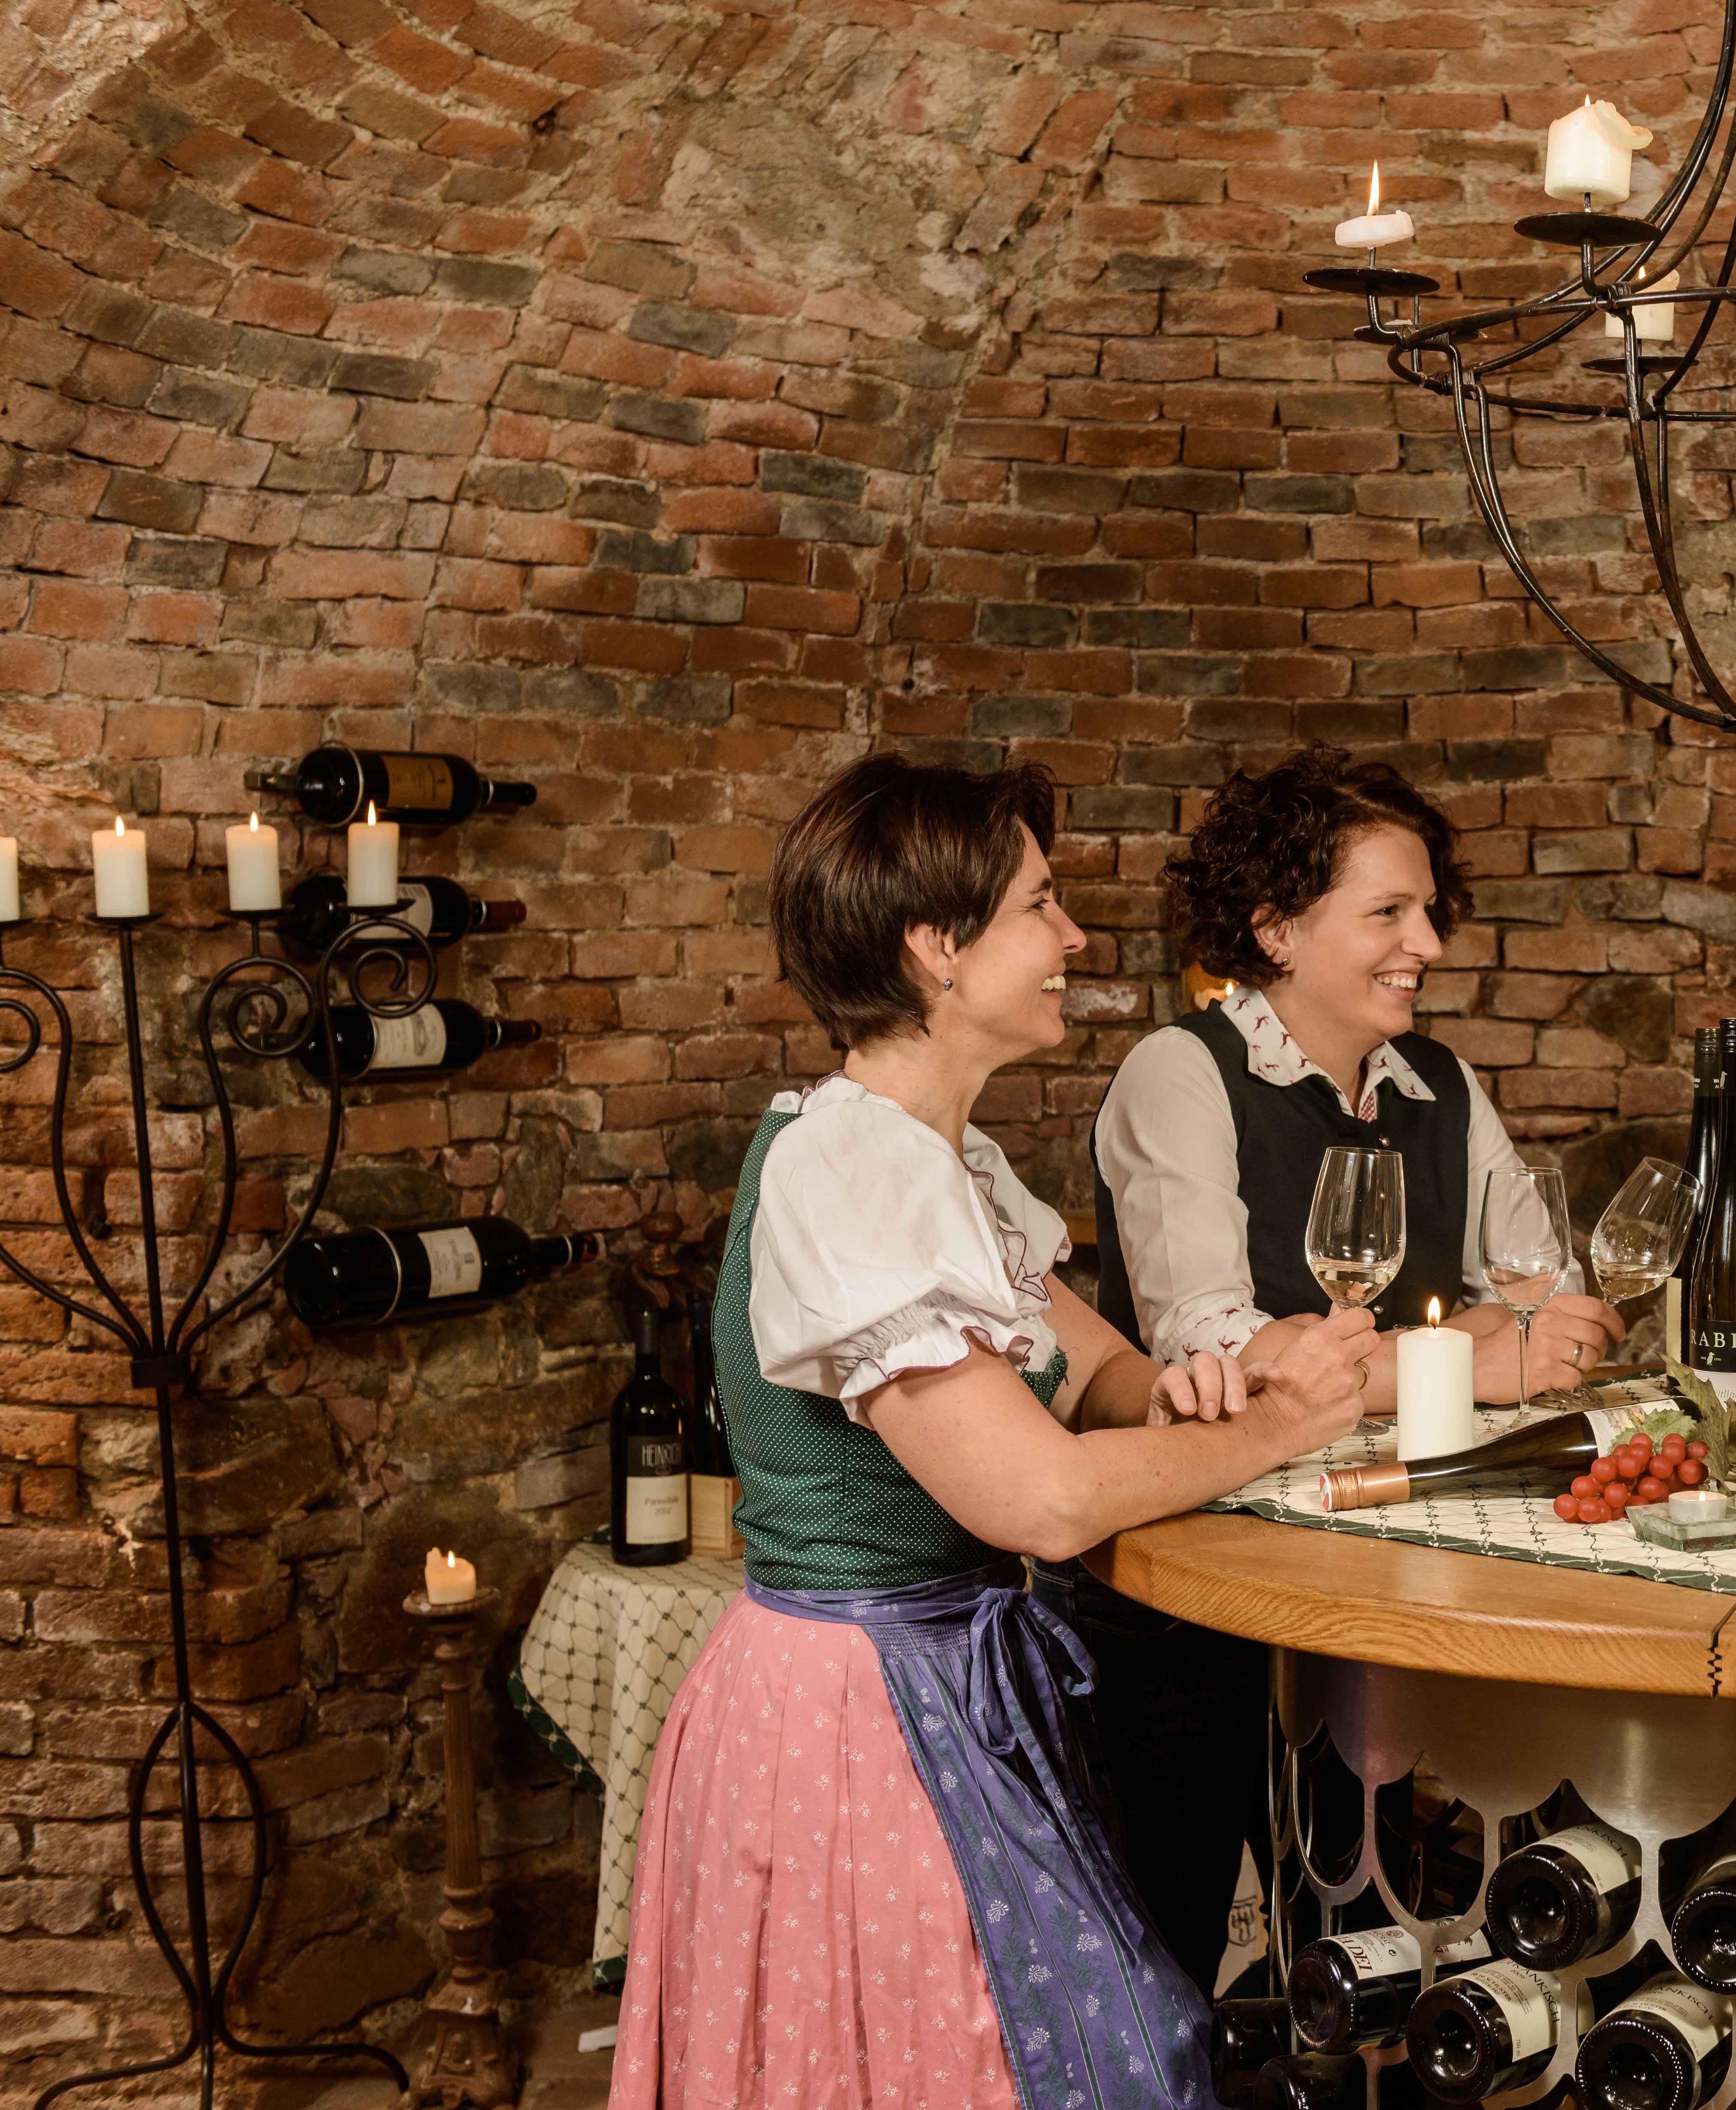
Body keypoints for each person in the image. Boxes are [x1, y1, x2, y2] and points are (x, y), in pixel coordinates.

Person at [611, 755, 1373, 2110]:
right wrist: (1278, 1433)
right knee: (983, 2058)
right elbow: (1040, 1503)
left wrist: (1225, 1383)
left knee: (1095, 2045)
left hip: (947, 1684)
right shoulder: (849, 1169)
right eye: (1042, 904)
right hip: (855, 1706)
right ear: (936, 950)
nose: (1075, 937)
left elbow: (1098, 1378)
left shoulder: (943, 1161)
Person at [1082, 742, 1622, 1988]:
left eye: (1428, 910)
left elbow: (1554, 1309)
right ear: (1275, 928)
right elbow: (1215, 1341)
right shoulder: (1183, 1072)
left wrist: (1468, 1345)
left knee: (1362, 1932)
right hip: (1200, 1574)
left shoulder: (1440, 1081)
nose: (1427, 942)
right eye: (1388, 911)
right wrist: (1478, 1363)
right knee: (1165, 1934)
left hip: (1383, 1567)